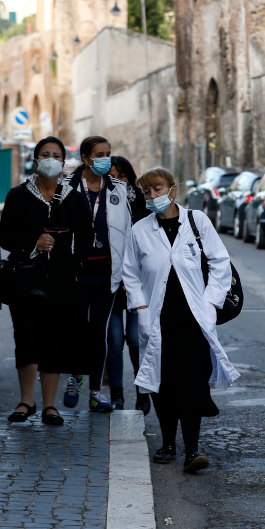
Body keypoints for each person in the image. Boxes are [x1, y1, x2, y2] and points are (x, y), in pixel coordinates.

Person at [122, 167, 239, 473]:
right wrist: (141, 309)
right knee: (162, 384)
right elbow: (130, 274)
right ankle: (168, 444)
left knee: (191, 382)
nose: (152, 196)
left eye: (157, 189)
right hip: (157, 320)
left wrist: (211, 302)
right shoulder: (140, 230)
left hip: (193, 320)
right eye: (147, 192)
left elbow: (219, 261)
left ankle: (192, 450)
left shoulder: (196, 221)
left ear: (172, 190)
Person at [0, 136, 94, 424]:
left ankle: (50, 406)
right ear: (36, 160)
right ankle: (26, 401)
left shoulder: (74, 198)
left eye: (56, 155)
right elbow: (5, 235)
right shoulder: (18, 195)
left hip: (63, 281)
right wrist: (33, 242)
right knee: (26, 339)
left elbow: (87, 236)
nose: (51, 159)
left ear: (64, 162)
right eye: (45, 154)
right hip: (26, 279)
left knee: (54, 341)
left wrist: (76, 264)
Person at [62, 136, 132, 413]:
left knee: (99, 332)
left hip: (107, 271)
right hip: (76, 271)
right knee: (77, 330)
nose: (105, 159)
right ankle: (76, 377)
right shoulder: (66, 187)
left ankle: (95, 392)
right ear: (85, 158)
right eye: (99, 154)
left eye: (108, 153)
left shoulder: (118, 188)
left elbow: (126, 232)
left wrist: (126, 273)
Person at [105, 156, 149, 411]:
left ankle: (142, 393)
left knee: (135, 339)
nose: (118, 181)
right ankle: (117, 395)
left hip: (136, 285)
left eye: (122, 176)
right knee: (114, 340)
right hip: (110, 284)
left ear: (130, 177)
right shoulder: (100, 203)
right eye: (112, 176)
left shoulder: (142, 204)